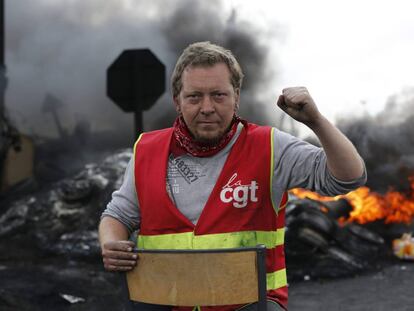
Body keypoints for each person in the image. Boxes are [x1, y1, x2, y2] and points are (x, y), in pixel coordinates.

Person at [99, 41, 366, 311]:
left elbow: (348, 177)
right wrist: (111, 242)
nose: (207, 107)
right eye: (194, 96)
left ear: (236, 97)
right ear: (177, 101)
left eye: (218, 95)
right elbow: (118, 215)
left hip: (249, 305)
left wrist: (316, 121)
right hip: (164, 302)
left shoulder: (269, 147)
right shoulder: (147, 150)